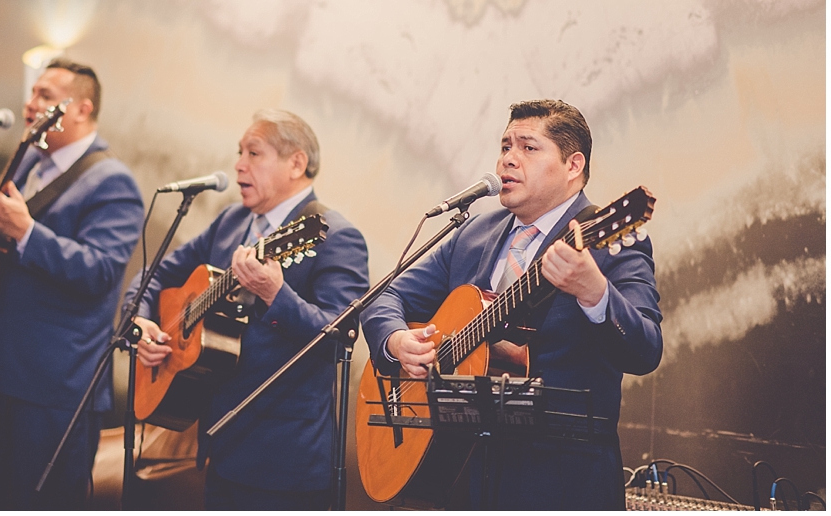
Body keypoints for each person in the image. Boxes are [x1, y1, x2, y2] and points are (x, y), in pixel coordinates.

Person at [360, 99, 662, 509]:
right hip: (463, 474)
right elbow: (384, 297)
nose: (508, 160)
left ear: (573, 166)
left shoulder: (611, 243)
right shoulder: (473, 234)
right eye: (505, 146)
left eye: (528, 147)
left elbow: (645, 349)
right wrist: (396, 341)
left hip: (561, 482)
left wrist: (596, 293)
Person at [124, 109, 369, 509]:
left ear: (296, 163)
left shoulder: (336, 236)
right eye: (239, 152)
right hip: (220, 448)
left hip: (284, 460)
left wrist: (277, 294)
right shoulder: (232, 221)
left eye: (254, 153)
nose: (238, 164)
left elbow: (338, 340)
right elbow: (157, 273)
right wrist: (142, 321)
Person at [0, 59, 145, 508]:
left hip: (55, 386)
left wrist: (27, 233)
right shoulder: (28, 162)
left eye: (46, 96)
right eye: (33, 94)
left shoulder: (113, 182)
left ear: (82, 109)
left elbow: (101, 272)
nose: (31, 104)